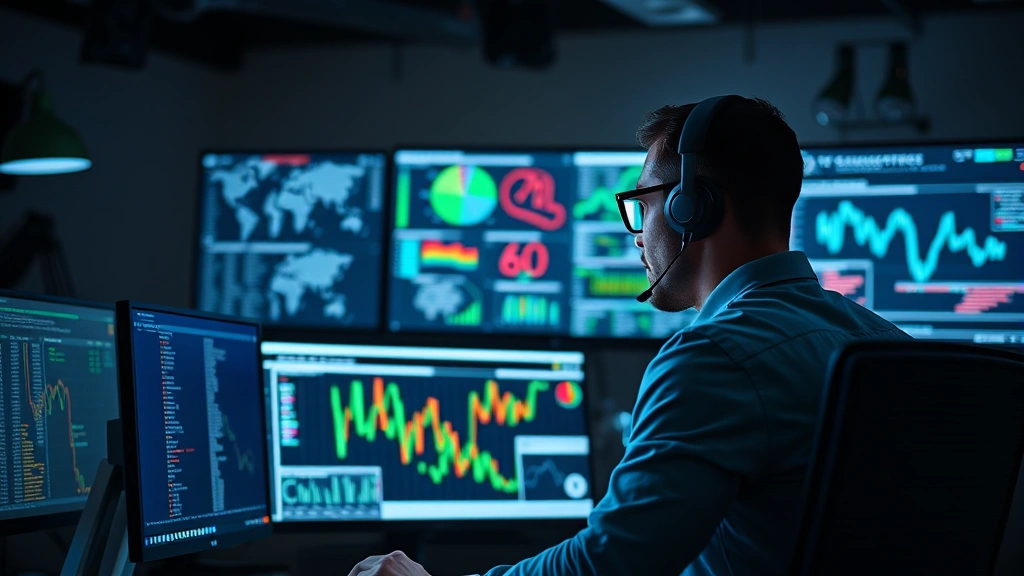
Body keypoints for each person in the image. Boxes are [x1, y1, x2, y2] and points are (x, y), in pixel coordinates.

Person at [348, 96, 911, 576]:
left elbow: (612, 563)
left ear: (693, 207)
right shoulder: (884, 341)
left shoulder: (716, 357)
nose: (639, 238)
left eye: (644, 205)